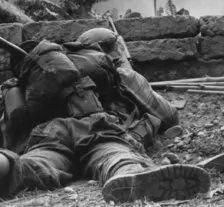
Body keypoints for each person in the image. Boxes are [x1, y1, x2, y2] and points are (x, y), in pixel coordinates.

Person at [0, 28, 211, 204]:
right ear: (108, 50)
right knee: (113, 154)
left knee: (37, 163)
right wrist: (130, 73)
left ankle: (6, 166)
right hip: (96, 128)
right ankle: (130, 173)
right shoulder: (117, 74)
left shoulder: (36, 83)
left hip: (47, 133)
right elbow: (168, 116)